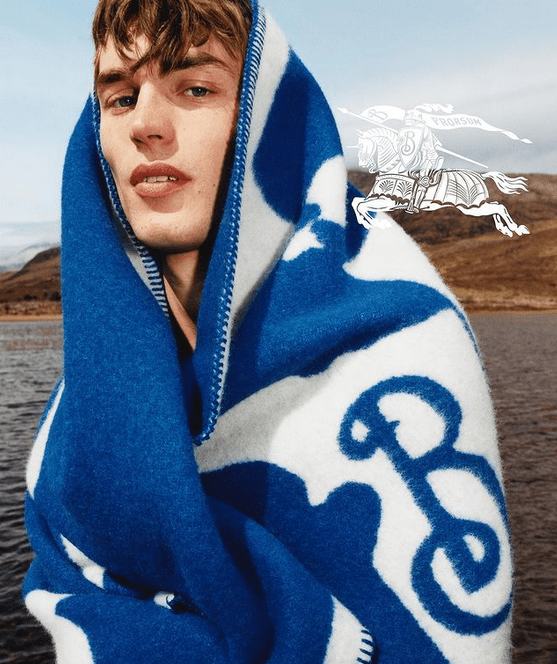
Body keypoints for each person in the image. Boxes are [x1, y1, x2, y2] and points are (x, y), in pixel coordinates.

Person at [23, 1, 513, 662]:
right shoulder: (90, 400)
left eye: (195, 88)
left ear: (264, 118)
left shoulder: (401, 343)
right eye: (119, 98)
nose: (145, 124)